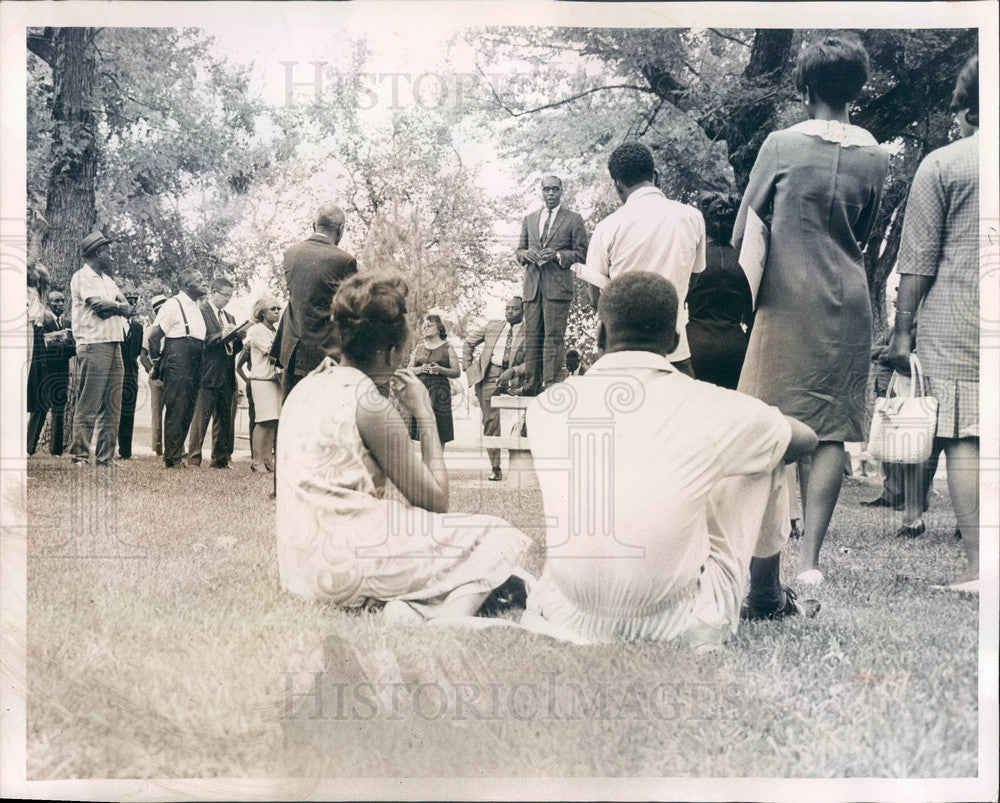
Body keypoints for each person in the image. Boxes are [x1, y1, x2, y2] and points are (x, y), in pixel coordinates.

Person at [523, 272, 819, 647]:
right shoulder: (709, 405)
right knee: (768, 447)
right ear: (676, 341)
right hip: (678, 621)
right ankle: (767, 598)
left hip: (566, 611)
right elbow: (805, 440)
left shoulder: (546, 406)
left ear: (600, 335)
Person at [275, 274, 531, 621]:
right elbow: (436, 501)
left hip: (300, 568)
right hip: (348, 560)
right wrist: (424, 412)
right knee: (496, 535)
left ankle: (407, 606)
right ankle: (451, 617)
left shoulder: (306, 386)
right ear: (393, 352)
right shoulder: (369, 404)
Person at [731, 34, 889, 585]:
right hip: (848, 301)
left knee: (764, 421)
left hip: (783, 302)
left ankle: (759, 557)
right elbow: (863, 234)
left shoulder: (779, 144)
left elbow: (744, 226)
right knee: (831, 431)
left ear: (804, 86)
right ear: (857, 87)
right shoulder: (876, 156)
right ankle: (811, 562)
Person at [886, 56, 979, 592]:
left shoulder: (944, 164)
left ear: (967, 108)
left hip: (956, 315)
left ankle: (977, 567)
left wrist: (902, 331)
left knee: (965, 433)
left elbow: (917, 258)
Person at [582, 142, 706, 377]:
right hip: (674, 351)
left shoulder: (608, 226)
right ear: (655, 175)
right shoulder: (692, 217)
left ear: (617, 184)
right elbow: (695, 277)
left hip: (622, 357)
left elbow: (596, 298)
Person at [273, 205, 358, 400]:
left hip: (293, 350)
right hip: (325, 354)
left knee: (291, 413)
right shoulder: (344, 260)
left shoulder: (291, 253)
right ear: (341, 228)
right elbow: (352, 310)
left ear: (314, 224)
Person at [515, 176, 588, 395]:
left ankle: (550, 384)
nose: (550, 194)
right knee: (532, 336)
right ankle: (530, 384)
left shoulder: (574, 219)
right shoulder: (529, 219)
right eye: (546, 189)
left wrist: (557, 255)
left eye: (555, 189)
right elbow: (519, 250)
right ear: (541, 191)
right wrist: (524, 254)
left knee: (553, 336)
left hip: (557, 289)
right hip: (532, 287)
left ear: (561, 191)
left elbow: (582, 254)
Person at [68, 231, 131, 468]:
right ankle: (80, 457)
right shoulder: (82, 276)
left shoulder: (108, 280)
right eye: (109, 252)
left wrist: (116, 306)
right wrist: (118, 307)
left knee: (112, 404)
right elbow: (99, 307)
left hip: (114, 342)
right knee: (89, 402)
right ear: (98, 253)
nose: (112, 257)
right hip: (93, 343)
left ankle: (105, 457)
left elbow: (127, 308)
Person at [686, 192, 753, 390]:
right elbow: (751, 314)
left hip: (696, 345)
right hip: (736, 346)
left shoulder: (693, 258)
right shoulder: (746, 260)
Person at [147, 270, 208, 468]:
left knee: (188, 410)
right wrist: (157, 362)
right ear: (187, 285)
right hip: (178, 359)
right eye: (199, 281)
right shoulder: (173, 305)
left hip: (195, 359)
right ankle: (172, 459)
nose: (204, 284)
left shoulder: (196, 307)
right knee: (177, 409)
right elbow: (154, 336)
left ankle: (177, 455)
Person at [461, 296, 526, 481]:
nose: (510, 312)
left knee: (526, 417)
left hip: (515, 378)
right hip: (489, 377)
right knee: (490, 421)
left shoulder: (531, 331)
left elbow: (533, 363)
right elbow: (468, 342)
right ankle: (495, 467)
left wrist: (513, 371)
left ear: (523, 311)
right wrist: (468, 367)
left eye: (514, 309)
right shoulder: (493, 326)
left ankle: (525, 463)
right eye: (507, 308)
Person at [187, 275, 244, 469]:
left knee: (224, 419)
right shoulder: (200, 312)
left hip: (227, 374)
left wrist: (238, 337)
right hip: (207, 373)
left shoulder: (230, 317)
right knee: (201, 419)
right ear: (213, 292)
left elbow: (234, 349)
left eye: (230, 295)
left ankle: (220, 459)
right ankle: (194, 458)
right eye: (224, 294)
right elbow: (200, 341)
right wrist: (221, 335)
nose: (227, 299)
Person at [26, 288, 74, 456]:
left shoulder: (67, 323)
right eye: (56, 301)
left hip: (62, 372)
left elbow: (72, 349)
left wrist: (62, 345)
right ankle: (28, 447)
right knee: (40, 408)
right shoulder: (42, 323)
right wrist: (63, 345)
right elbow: (44, 348)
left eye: (62, 301)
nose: (60, 304)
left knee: (59, 409)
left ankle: (56, 450)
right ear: (48, 303)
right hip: (46, 372)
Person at [242, 294, 282, 472]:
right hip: (262, 380)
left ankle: (267, 459)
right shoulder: (257, 330)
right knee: (263, 421)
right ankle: (257, 461)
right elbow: (272, 353)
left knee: (272, 421)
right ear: (263, 312)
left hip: (273, 380)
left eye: (278, 308)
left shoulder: (273, 331)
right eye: (273, 309)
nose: (277, 312)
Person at [408, 313, 460, 446]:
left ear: (439, 329)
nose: (424, 328)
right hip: (420, 388)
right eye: (424, 326)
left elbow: (456, 372)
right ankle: (425, 464)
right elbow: (409, 369)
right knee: (422, 427)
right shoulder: (419, 348)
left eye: (429, 326)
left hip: (439, 390)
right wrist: (420, 369)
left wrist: (440, 370)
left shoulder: (447, 347)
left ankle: (437, 462)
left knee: (439, 427)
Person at [117, 289, 144, 460]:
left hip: (131, 374)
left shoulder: (138, 327)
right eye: (129, 301)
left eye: (135, 301)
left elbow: (136, 353)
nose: (132, 305)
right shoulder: (113, 324)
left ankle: (125, 451)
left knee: (128, 412)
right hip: (115, 372)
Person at [139, 294, 168, 455]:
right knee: (157, 412)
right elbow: (143, 354)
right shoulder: (150, 330)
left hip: (172, 375)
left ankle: (176, 445)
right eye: (159, 310)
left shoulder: (173, 329)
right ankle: (157, 447)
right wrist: (150, 368)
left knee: (174, 411)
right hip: (156, 376)